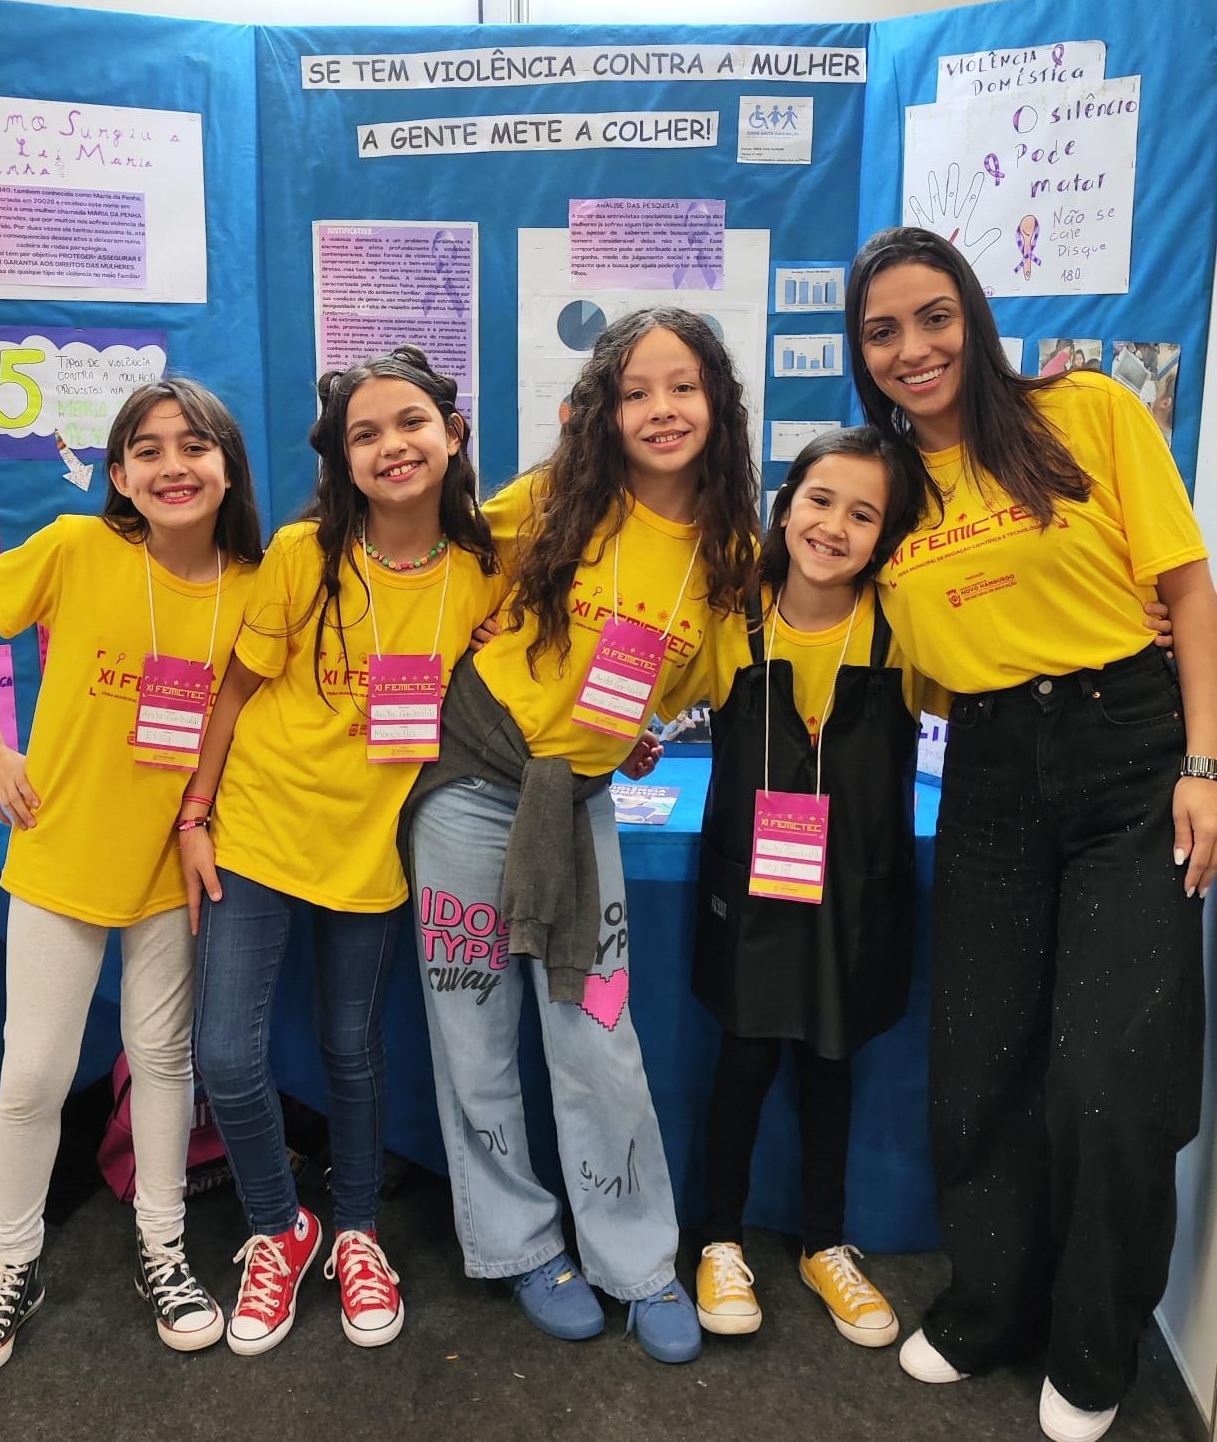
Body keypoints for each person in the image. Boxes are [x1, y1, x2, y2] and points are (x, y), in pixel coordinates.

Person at [845, 225, 1217, 1442]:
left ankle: (1097, 1339)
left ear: (975, 316)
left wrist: (1204, 759)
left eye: (934, 316)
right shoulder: (888, 487)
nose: (913, 348)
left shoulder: (1086, 410)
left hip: (1131, 752)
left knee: (1111, 1079)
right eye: (884, 330)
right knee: (979, 1061)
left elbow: (1185, 590)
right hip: (994, 768)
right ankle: (989, 1303)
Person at [400, 306, 758, 1364]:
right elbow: (448, 583)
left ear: (716, 403)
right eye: (636, 389)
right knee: (470, 1024)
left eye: (681, 387)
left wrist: (630, 733)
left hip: (577, 799)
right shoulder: (554, 497)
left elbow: (693, 678)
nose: (659, 409)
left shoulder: (729, 546)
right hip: (468, 779)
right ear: (603, 409)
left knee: (595, 1032)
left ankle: (638, 1255)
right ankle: (519, 1245)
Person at [180, 346, 503, 1356]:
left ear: (450, 435)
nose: (390, 446)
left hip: (373, 852)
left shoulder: (486, 575)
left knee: (352, 1052)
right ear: (341, 459)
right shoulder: (301, 555)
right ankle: (283, 1227)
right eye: (364, 433)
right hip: (262, 834)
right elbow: (232, 691)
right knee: (228, 1059)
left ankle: (358, 1230)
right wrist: (194, 816)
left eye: (408, 422)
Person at [0, 379, 264, 1379]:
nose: (175, 465)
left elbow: (237, 713)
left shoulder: (254, 581)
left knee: (163, 1060)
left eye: (195, 444)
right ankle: (10, 1266)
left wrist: (200, 816)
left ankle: (162, 1250)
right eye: (149, 449)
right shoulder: (80, 549)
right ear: (118, 474)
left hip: (171, 861)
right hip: (60, 850)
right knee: (32, 1074)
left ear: (227, 463)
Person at [685, 427, 941, 1347]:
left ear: (889, 534)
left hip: (855, 898)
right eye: (820, 500)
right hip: (750, 895)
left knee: (831, 1063)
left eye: (863, 513)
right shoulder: (730, 618)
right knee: (743, 1062)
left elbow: (997, 675)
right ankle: (717, 1238)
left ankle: (824, 1243)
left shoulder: (905, 629)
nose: (834, 525)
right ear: (786, 504)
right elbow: (645, 691)